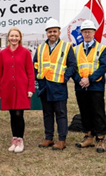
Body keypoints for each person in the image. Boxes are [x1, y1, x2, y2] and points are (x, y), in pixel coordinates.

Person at [33, 18, 77, 150]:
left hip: (58, 86)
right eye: (50, 31)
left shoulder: (66, 46)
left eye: (54, 31)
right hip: (44, 85)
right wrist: (38, 77)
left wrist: (64, 78)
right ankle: (48, 138)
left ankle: (62, 140)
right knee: (47, 113)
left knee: (61, 113)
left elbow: (72, 65)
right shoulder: (40, 48)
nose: (52, 34)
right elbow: (35, 64)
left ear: (59, 32)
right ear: (46, 33)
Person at [0, 27, 35, 153]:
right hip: (7, 88)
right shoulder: (3, 53)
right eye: (12, 36)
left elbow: (30, 72)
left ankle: (20, 140)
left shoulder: (25, 53)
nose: (14, 38)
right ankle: (14, 139)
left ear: (20, 38)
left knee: (19, 114)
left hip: (22, 88)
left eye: (16, 36)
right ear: (8, 37)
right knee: (12, 115)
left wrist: (30, 88)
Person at [72, 20, 106, 153]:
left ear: (94, 32)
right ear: (81, 33)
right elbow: (72, 67)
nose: (87, 34)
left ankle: (100, 139)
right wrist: (79, 80)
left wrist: (89, 79)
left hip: (95, 86)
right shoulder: (75, 49)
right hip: (80, 86)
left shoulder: (101, 48)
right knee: (84, 112)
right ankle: (88, 137)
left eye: (90, 31)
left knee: (98, 112)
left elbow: (103, 67)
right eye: (85, 31)